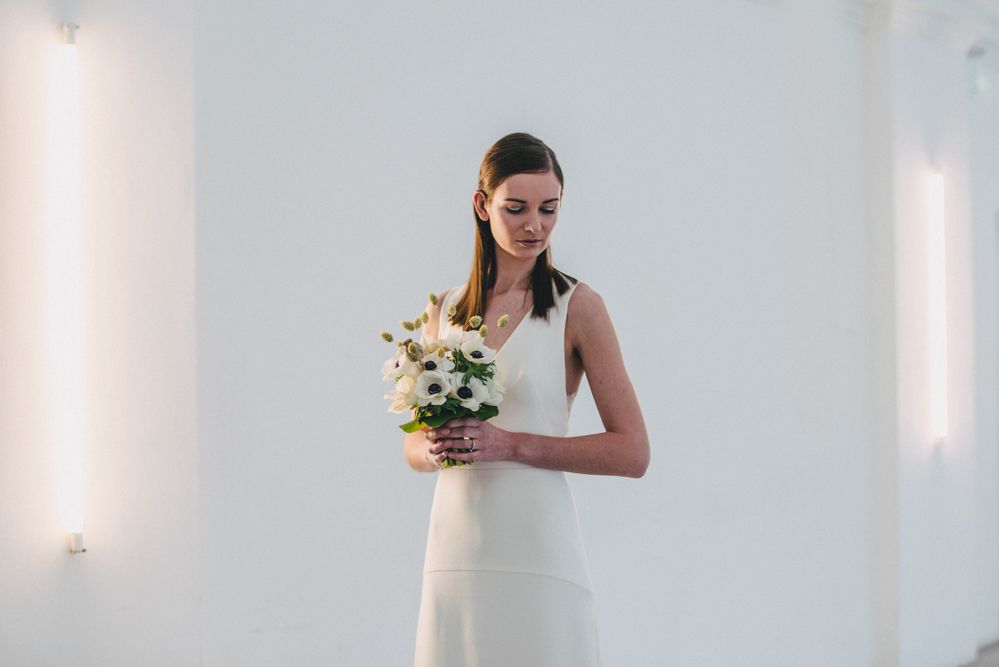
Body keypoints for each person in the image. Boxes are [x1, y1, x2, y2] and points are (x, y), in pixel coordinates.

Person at [403, 131, 650, 666]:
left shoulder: (577, 306)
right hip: (455, 550)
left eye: (548, 208)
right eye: (515, 208)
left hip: (538, 550)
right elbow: (414, 448)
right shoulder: (443, 310)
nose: (534, 225)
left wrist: (510, 445)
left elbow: (633, 452)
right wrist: (434, 448)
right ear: (481, 205)